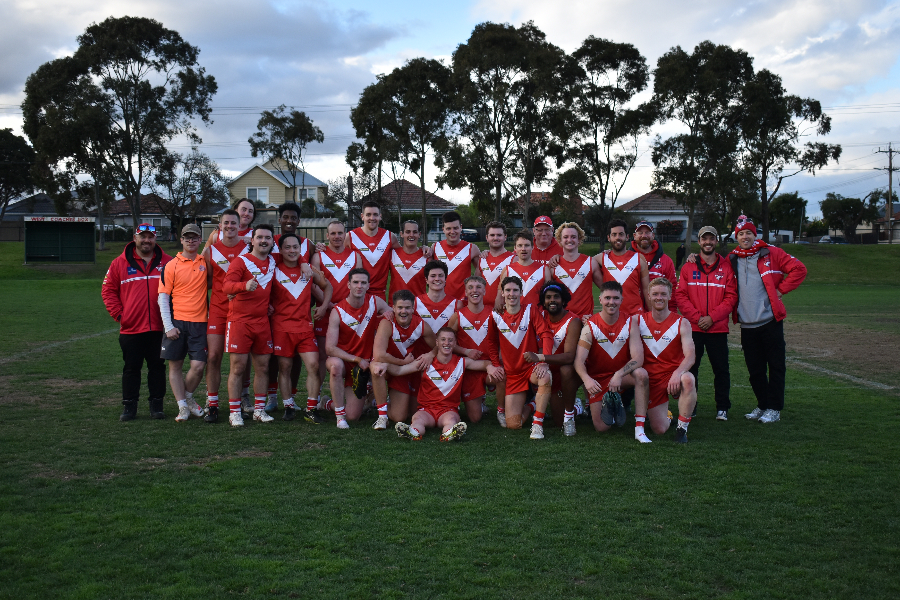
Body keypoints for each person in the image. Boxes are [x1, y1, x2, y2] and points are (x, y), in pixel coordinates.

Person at [728, 215, 807, 423]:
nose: (745, 237)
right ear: (737, 237)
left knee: (776, 366)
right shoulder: (732, 259)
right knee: (755, 371)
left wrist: (781, 290)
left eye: (749, 233)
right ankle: (762, 404)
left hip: (770, 320)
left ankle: (774, 408)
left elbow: (799, 269)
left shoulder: (772, 252)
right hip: (747, 323)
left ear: (756, 234)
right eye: (741, 233)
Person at [102, 223, 172, 421]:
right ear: (135, 238)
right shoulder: (119, 263)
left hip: (159, 328)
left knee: (157, 368)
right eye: (143, 236)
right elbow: (108, 291)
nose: (146, 240)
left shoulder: (168, 262)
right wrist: (120, 315)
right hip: (131, 328)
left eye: (150, 237)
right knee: (131, 368)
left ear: (155, 239)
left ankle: (156, 405)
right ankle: (129, 406)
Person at [674, 225, 738, 420]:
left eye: (711, 239)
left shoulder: (726, 267)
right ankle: (690, 406)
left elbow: (731, 297)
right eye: (704, 239)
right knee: (691, 369)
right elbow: (680, 295)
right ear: (699, 242)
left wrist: (712, 318)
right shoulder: (688, 266)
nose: (708, 242)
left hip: (717, 328)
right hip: (693, 328)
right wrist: (697, 318)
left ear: (716, 241)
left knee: (721, 369)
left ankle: (722, 408)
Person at [394, 328, 502, 442]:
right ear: (437, 342)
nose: (447, 343)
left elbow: (484, 363)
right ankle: (413, 432)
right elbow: (399, 371)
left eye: (450, 340)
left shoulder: (461, 362)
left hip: (448, 409)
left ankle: (450, 433)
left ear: (455, 343)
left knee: (451, 419)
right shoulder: (426, 362)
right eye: (443, 339)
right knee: (418, 419)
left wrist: (489, 366)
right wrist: (383, 365)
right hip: (427, 409)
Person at [574, 281, 650, 441]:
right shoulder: (590, 326)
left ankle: (640, 429)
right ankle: (613, 402)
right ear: (600, 299)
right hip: (599, 381)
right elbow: (579, 361)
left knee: (641, 374)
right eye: (607, 298)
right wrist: (587, 380)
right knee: (602, 428)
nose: (611, 302)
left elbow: (638, 358)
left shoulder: (630, 323)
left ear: (622, 300)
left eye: (616, 298)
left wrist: (618, 375)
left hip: (621, 378)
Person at [270, 232, 332, 423]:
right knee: (285, 367)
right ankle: (288, 406)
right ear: (280, 250)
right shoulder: (273, 268)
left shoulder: (309, 269)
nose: (291, 250)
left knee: (313, 365)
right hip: (281, 328)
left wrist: (323, 306)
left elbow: (327, 286)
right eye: (287, 247)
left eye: (295, 247)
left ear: (300, 249)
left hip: (305, 328)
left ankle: (311, 409)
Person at [222, 224, 278, 426]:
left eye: (268, 238)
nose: (264, 241)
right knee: (238, 367)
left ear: (272, 242)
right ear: (251, 240)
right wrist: (243, 286)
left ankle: (259, 410)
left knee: (263, 367)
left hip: (262, 322)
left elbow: (295, 254)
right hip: (239, 322)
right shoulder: (241, 261)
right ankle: (234, 411)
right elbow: (226, 286)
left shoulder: (273, 260)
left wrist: (306, 263)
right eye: (260, 237)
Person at [324, 267, 394, 428]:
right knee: (335, 366)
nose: (359, 286)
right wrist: (356, 359)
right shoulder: (338, 311)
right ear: (348, 285)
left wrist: (387, 316)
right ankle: (336, 413)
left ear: (368, 285)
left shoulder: (375, 302)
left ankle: (368, 398)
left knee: (354, 416)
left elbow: (392, 315)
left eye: (363, 283)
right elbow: (330, 348)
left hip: (365, 364)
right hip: (345, 361)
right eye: (355, 282)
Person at [158, 224, 209, 422]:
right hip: (177, 322)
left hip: (199, 323)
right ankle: (183, 408)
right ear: (181, 240)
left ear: (199, 240)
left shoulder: (205, 261)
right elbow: (163, 297)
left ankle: (187, 397)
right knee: (175, 367)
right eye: (187, 238)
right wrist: (168, 326)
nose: (190, 241)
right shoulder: (171, 265)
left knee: (198, 366)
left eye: (194, 238)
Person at [492, 276, 554, 439]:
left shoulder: (530, 310)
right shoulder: (497, 315)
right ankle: (533, 403)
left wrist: (543, 361)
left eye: (515, 290)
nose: (511, 294)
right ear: (503, 293)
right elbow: (491, 343)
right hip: (513, 374)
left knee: (545, 376)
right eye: (508, 290)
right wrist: (495, 364)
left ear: (521, 292)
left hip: (530, 369)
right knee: (513, 424)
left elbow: (546, 334)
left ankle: (537, 424)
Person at [265, 202, 313, 412]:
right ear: (279, 219)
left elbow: (314, 269)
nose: (289, 221)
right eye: (285, 217)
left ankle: (291, 396)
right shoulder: (271, 240)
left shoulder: (308, 243)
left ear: (298, 221)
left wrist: (304, 261)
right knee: (275, 357)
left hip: (300, 302)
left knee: (296, 358)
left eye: (293, 218)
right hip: (276, 306)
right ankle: (272, 396)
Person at [201, 209, 248, 423]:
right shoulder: (210, 251)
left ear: (240, 226)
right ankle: (212, 403)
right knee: (213, 357)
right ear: (219, 227)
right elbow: (207, 282)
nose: (230, 226)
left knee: (239, 361)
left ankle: (239, 403)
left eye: (233, 223)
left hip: (242, 311)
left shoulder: (249, 248)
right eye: (226, 223)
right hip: (219, 311)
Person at [311, 220, 364, 407]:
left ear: (345, 234)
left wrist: (344, 307)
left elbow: (358, 283)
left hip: (349, 314)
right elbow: (314, 284)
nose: (336, 237)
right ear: (327, 236)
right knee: (323, 357)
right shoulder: (319, 256)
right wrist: (328, 304)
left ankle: (353, 395)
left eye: (340, 233)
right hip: (326, 313)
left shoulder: (355, 256)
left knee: (352, 353)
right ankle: (316, 397)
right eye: (332, 233)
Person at [639, 278, 697, 443]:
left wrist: (677, 373)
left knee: (688, 379)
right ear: (648, 296)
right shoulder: (638, 321)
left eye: (663, 294)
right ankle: (668, 416)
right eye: (655, 294)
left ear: (670, 296)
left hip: (673, 376)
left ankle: (682, 429)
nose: (659, 297)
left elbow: (690, 356)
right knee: (659, 429)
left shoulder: (682, 323)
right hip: (651, 380)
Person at [370, 289, 437, 429]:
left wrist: (430, 354)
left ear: (413, 308)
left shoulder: (421, 325)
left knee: (402, 416)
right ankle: (382, 417)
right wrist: (402, 362)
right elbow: (379, 355)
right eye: (399, 307)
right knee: (377, 367)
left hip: (405, 371)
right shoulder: (387, 323)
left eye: (407, 307)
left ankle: (381, 401)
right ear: (393, 308)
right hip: (390, 365)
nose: (403, 311)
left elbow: (438, 346)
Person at [447, 276, 503, 423]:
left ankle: (503, 409)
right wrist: (466, 351)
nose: (474, 291)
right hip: (471, 369)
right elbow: (446, 343)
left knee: (503, 375)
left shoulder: (494, 314)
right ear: (465, 292)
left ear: (485, 290)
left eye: (478, 287)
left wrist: (499, 357)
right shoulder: (457, 316)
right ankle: (480, 401)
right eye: (470, 287)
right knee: (475, 418)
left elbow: (505, 340)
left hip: (491, 365)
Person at [534, 282, 582, 435]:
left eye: (556, 297)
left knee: (566, 370)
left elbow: (569, 357)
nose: (552, 300)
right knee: (556, 422)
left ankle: (574, 409)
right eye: (548, 297)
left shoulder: (573, 321)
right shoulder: (540, 317)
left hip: (566, 372)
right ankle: (531, 401)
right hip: (548, 372)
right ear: (543, 301)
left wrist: (541, 358)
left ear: (564, 300)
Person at [551, 222, 604, 320]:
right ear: (560, 240)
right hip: (562, 321)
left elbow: (606, 290)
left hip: (585, 321)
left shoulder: (590, 262)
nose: (569, 240)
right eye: (565, 237)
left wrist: (601, 316)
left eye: (573, 237)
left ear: (579, 240)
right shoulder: (553, 266)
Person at [597, 219, 650, 317]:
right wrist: (559, 257)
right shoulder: (601, 258)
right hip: (612, 316)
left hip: (635, 315)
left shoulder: (639, 258)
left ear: (627, 237)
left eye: (621, 234)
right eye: (614, 235)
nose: (618, 238)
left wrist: (652, 316)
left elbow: (647, 290)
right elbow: (581, 263)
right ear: (609, 238)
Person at [495, 230, 551, 310]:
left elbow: (549, 295)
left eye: (527, 245)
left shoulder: (544, 269)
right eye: (520, 245)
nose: (523, 249)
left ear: (532, 247)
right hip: (515, 317)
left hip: (537, 317)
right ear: (515, 248)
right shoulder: (508, 270)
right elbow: (500, 296)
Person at [432, 210, 480, 299]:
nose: (452, 232)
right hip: (440, 301)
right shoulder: (435, 247)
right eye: (448, 228)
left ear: (461, 227)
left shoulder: (472, 248)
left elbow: (482, 273)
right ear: (443, 229)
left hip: (463, 302)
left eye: (455, 228)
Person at [632, 220, 676, 310]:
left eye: (647, 232)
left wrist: (672, 315)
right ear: (634, 236)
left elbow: (673, 290)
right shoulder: (626, 259)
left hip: (658, 316)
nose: (644, 236)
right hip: (632, 316)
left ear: (653, 235)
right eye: (640, 232)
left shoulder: (666, 260)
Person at [477, 221, 514, 310]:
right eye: (492, 235)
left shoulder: (513, 259)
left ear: (505, 237)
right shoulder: (482, 258)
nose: (495, 238)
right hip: (483, 310)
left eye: (499, 235)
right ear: (487, 237)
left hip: (504, 310)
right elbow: (476, 283)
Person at [388, 220, 428, 301]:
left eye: (415, 232)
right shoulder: (392, 254)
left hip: (418, 307)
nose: (411, 235)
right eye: (408, 232)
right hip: (395, 307)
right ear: (401, 234)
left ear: (419, 234)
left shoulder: (426, 256)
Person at [416, 260, 457, 334]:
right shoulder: (415, 303)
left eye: (440, 275)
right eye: (433, 276)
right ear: (426, 280)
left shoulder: (456, 304)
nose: (437, 279)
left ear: (445, 279)